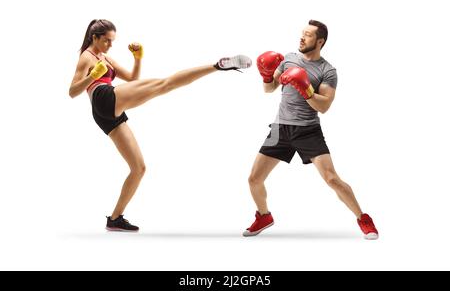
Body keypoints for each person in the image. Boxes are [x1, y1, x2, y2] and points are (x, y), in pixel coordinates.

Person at [69, 19, 252, 231]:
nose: (110, 45)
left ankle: (115, 218)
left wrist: (137, 59)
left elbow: (132, 79)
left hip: (107, 112)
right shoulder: (86, 57)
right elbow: (72, 91)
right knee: (164, 84)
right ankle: (217, 66)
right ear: (95, 37)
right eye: (107, 41)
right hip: (103, 98)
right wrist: (92, 75)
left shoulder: (105, 57)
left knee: (138, 168)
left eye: (112, 41)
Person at [244, 20, 378, 239]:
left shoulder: (328, 71)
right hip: (280, 128)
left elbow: (324, 106)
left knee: (332, 179)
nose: (301, 38)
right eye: (302, 34)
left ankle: (363, 218)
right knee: (254, 179)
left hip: (308, 130)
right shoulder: (288, 59)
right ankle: (264, 216)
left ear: (320, 41)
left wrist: (305, 88)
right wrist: (266, 75)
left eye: (307, 35)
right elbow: (269, 89)